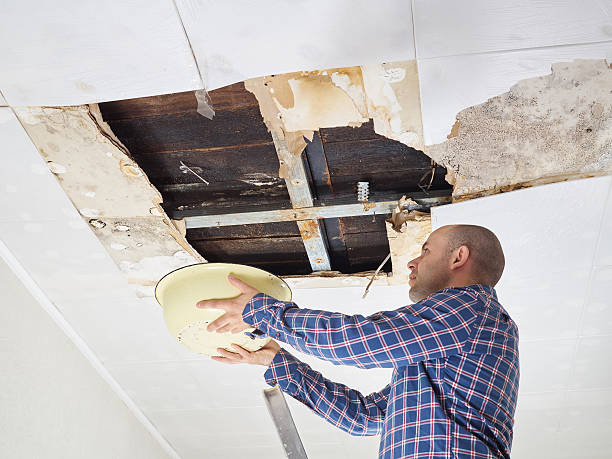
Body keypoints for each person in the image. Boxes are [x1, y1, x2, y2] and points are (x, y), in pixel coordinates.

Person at [196, 224, 519, 459]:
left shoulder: (471, 308)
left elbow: (363, 342)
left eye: (425, 250)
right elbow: (363, 417)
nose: (411, 263)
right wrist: (277, 361)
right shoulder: (440, 353)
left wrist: (263, 311)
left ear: (459, 257)